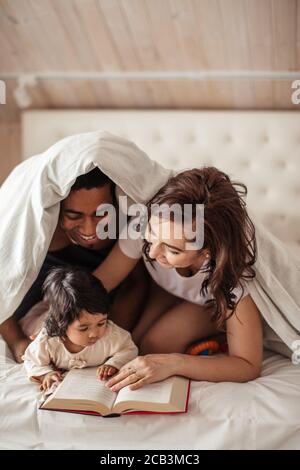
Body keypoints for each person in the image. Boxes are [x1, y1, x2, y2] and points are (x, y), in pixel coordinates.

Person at [93, 167, 264, 392]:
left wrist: (173, 363)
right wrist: (53, 317)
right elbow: (101, 281)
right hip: (164, 291)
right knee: (131, 345)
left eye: (173, 250)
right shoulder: (148, 223)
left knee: (157, 346)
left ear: (207, 252)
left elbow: (248, 365)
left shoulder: (234, 278)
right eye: (151, 236)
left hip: (212, 303)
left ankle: (216, 335)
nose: (153, 253)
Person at [0, 168, 148, 363]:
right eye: (74, 216)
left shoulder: (127, 226)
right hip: (29, 311)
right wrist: (17, 341)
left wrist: (107, 341)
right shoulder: (32, 225)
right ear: (56, 208)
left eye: (100, 214)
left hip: (102, 308)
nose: (90, 229)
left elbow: (136, 284)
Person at [23, 267, 138, 391]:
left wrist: (113, 364)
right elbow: (31, 360)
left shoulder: (111, 335)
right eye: (83, 328)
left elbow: (129, 349)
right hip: (37, 321)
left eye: (101, 323)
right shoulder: (48, 341)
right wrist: (46, 374)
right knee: (33, 330)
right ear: (62, 324)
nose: (94, 334)